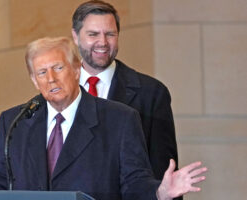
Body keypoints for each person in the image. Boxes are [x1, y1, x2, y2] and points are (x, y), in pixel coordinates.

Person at [0, 37, 206, 200]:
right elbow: (0, 184)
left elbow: (134, 182)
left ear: (75, 71)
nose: (51, 78)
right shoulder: (16, 121)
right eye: (41, 72)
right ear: (33, 80)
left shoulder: (119, 119)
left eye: (58, 68)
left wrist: (160, 192)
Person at [72, 0, 178, 181]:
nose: (102, 42)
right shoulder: (59, 91)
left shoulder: (151, 93)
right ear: (75, 36)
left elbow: (164, 173)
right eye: (93, 34)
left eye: (110, 34)